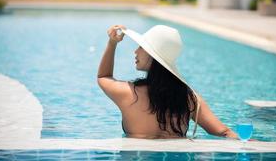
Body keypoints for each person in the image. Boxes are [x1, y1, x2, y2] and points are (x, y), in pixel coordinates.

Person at [97, 24, 238, 139]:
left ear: (152, 56)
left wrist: (112, 43)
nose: (136, 51)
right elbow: (223, 132)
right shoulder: (189, 98)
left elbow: (103, 77)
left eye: (141, 47)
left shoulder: (128, 93)